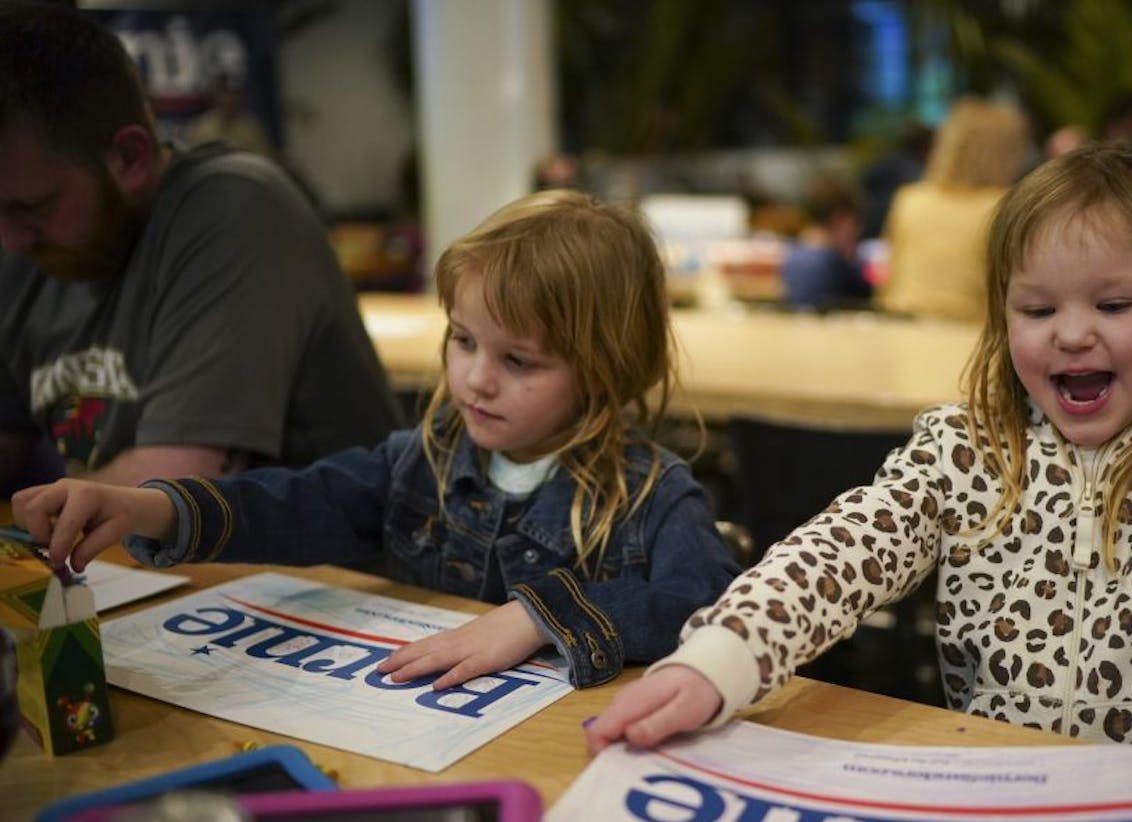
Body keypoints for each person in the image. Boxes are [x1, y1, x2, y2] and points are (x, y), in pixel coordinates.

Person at [588, 140, 1132, 804]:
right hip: (1001, 804)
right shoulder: (970, 443)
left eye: (1114, 306)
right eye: (1038, 311)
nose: (1072, 335)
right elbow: (841, 550)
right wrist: (721, 657)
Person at [13, 189, 742, 690]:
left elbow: (704, 603)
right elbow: (295, 502)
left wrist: (535, 618)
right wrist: (149, 510)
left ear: (604, 368)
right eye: (462, 341)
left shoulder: (654, 494)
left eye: (517, 361)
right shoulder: (418, 462)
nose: (476, 379)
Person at [0, 2, 401, 492]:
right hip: (138, 566)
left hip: (319, 568)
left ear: (129, 158)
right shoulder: (25, 243)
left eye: (35, 207)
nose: (10, 240)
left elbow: (175, 491)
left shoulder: (238, 207)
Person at [878, 97, 1031, 322]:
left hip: (900, 324)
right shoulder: (1006, 206)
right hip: (969, 334)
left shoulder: (910, 198)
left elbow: (887, 276)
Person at [780, 173, 873, 313]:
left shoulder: (792, 254)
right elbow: (866, 292)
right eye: (855, 224)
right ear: (841, 219)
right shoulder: (832, 261)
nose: (858, 232)